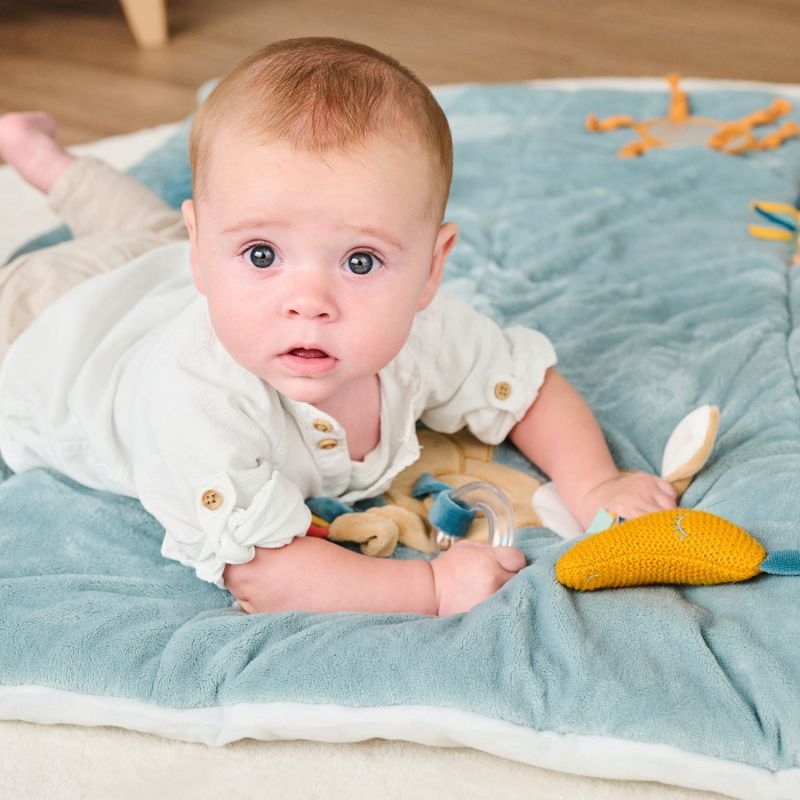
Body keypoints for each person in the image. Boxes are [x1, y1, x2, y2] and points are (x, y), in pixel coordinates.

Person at [0, 37, 677, 616]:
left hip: (161, 274)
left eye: (360, 260)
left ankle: (36, 153)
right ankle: (45, 165)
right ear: (204, 250)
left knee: (143, 236)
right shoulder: (196, 403)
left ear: (431, 268)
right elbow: (264, 574)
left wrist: (595, 484)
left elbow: (529, 389)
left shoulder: (427, 332)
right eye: (262, 254)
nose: (309, 301)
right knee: (137, 242)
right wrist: (429, 587)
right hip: (49, 325)